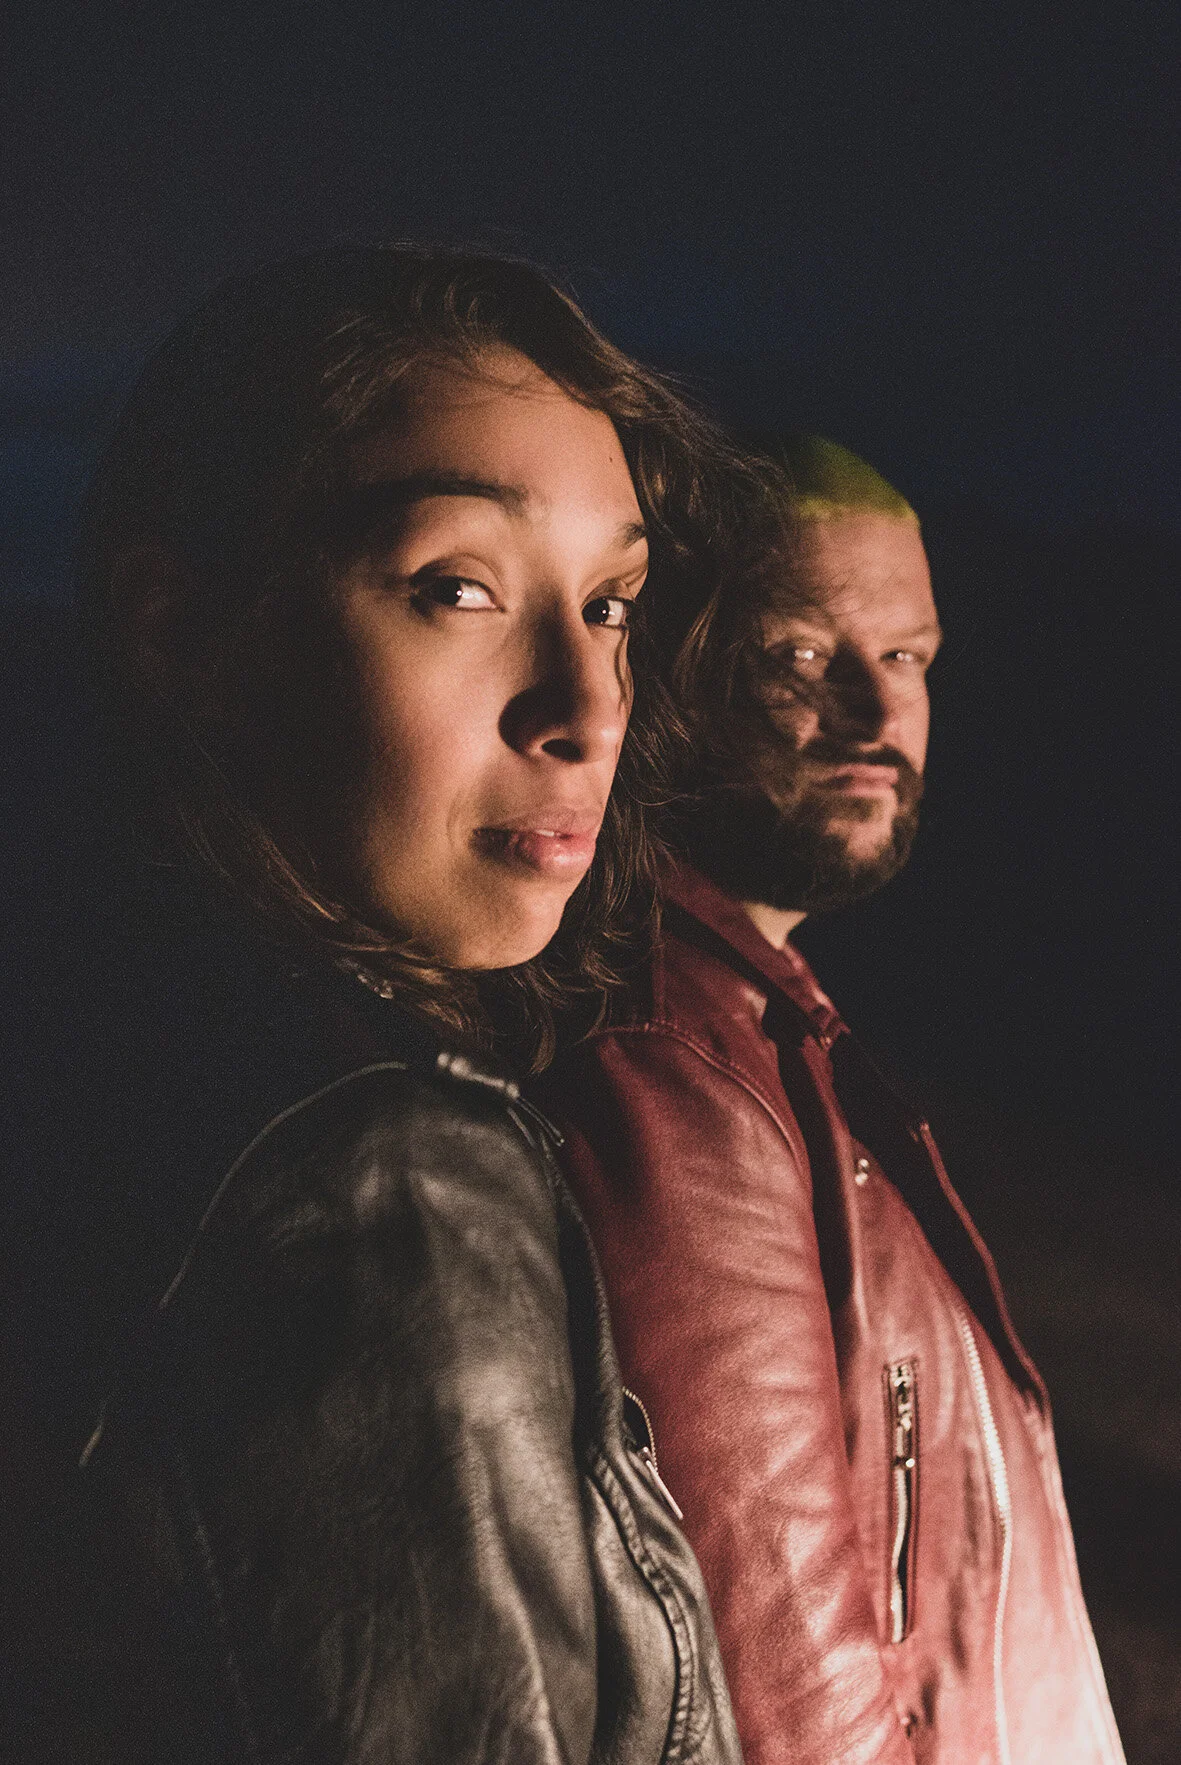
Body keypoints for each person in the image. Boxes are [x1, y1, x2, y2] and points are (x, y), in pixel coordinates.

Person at [0, 246, 747, 1763]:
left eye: (612, 603)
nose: (587, 708)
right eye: (457, 587)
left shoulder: (87, 1049)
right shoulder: (374, 1178)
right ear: (177, 630)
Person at [539, 436, 1126, 1764]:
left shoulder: (765, 1020)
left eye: (907, 656)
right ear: (670, 676)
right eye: (800, 655)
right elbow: (778, 1683)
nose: (873, 711)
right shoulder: (674, 1060)